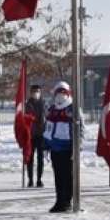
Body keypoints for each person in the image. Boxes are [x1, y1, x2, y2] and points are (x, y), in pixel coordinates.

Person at [43, 82, 79, 213]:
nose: (60, 96)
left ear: (68, 93)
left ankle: (67, 202)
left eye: (63, 93)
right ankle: (59, 201)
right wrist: (46, 145)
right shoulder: (52, 109)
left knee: (68, 176)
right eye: (58, 93)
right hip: (55, 148)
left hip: (68, 149)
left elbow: (80, 129)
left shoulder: (73, 108)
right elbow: (47, 127)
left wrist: (77, 146)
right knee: (58, 176)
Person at [25, 84, 47, 187]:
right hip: (30, 135)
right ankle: (30, 179)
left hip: (41, 134)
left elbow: (47, 119)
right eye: (34, 91)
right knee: (30, 158)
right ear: (31, 93)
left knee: (40, 158)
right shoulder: (28, 105)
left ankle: (39, 179)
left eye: (37, 91)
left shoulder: (43, 104)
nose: (36, 93)